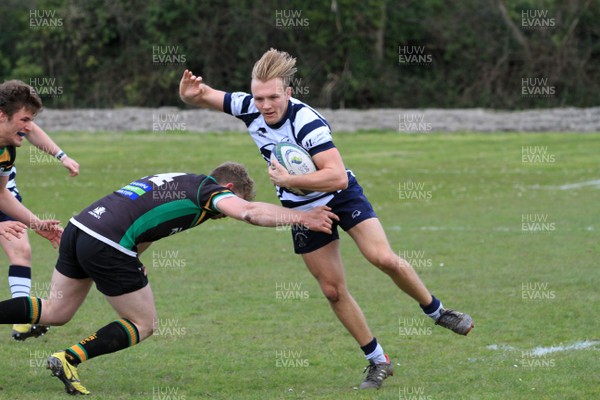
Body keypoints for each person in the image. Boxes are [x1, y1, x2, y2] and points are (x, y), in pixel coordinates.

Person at [179, 49, 474, 390]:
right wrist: (189, 94)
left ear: (288, 93)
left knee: (381, 258)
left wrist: (289, 181)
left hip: (339, 197)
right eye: (259, 98)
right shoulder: (249, 107)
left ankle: (437, 312)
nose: (265, 105)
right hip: (302, 211)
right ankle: (378, 361)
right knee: (333, 291)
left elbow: (337, 178)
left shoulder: (307, 122)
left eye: (273, 97)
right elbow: (201, 94)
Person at [0, 162, 338, 395]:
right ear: (229, 188)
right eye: (231, 201)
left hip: (82, 228)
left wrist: (134, 258)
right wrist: (302, 217)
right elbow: (250, 212)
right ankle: (68, 358)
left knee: (56, 311)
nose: (226, 215)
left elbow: (147, 219)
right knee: (144, 323)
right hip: (107, 242)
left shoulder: (181, 180)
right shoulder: (210, 192)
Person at [0, 81, 75, 340]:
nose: (29, 128)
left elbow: (2, 195)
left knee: (21, 249)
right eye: (24, 119)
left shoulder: (6, 150)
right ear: (2, 115)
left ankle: (22, 317)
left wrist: (37, 224)